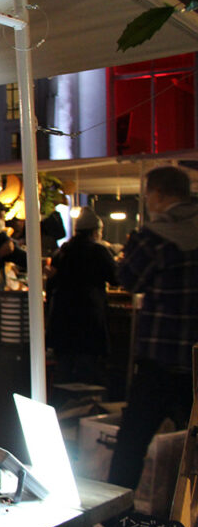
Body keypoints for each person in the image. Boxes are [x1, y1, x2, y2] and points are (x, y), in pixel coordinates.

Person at [109, 166, 198, 490]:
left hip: (160, 355)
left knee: (133, 440)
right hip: (196, 362)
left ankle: (116, 514)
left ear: (158, 194)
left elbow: (130, 279)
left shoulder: (154, 236)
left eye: (148, 193)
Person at [45, 207, 117, 385]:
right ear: (95, 231)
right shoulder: (99, 252)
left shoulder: (62, 252)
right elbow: (116, 278)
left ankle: (62, 406)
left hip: (62, 317)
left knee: (64, 369)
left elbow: (51, 284)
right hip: (89, 316)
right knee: (88, 369)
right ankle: (86, 406)